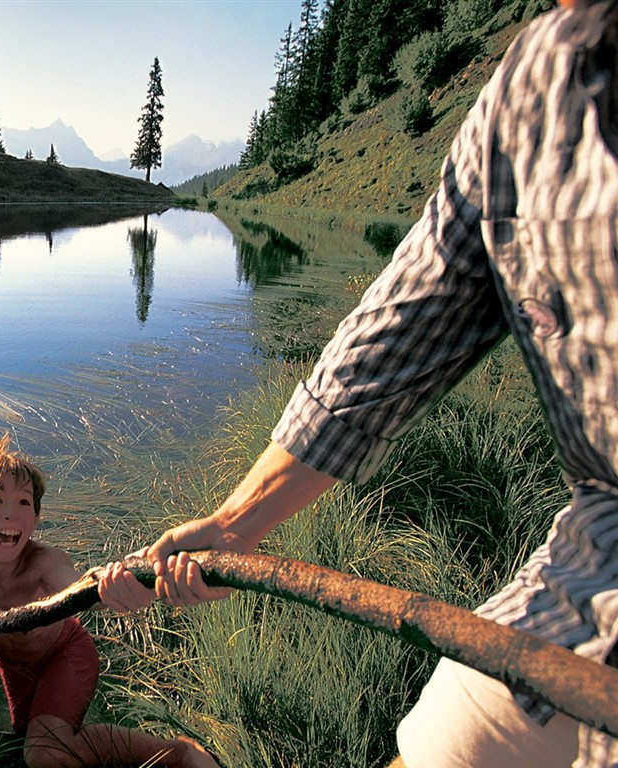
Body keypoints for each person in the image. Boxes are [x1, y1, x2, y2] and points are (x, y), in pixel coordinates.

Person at [99, 1, 618, 767]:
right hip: (600, 548)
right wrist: (238, 523)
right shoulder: (530, 89)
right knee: (437, 744)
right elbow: (394, 336)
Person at [0, 434, 219, 768]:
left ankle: (179, 754)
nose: (11, 513)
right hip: (15, 669)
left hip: (67, 654)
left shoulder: (46, 562)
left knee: (45, 753)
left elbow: (86, 590)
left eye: (24, 503)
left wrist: (117, 582)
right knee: (27, 740)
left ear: (36, 520)